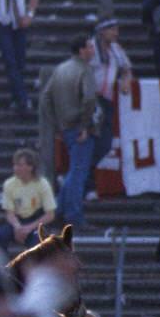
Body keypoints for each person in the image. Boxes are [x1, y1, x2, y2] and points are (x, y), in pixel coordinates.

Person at [41, 35, 98, 230]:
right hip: (79, 126)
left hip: (66, 126)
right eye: (90, 47)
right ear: (82, 50)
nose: (92, 50)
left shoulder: (60, 69)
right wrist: (84, 125)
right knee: (78, 172)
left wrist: (56, 124)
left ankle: (58, 211)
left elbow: (46, 97)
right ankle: (73, 214)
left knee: (74, 171)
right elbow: (90, 99)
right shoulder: (84, 70)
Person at [88, 17, 132, 174]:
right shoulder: (90, 47)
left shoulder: (116, 49)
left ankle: (86, 173)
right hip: (91, 99)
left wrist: (126, 81)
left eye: (117, 29)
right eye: (112, 29)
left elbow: (126, 68)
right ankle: (85, 179)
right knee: (92, 140)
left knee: (105, 143)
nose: (116, 33)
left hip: (106, 99)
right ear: (101, 32)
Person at [0, 149, 56, 253]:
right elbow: (9, 213)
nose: (15, 168)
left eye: (19, 165)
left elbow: (50, 215)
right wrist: (18, 227)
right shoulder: (9, 184)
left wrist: (28, 228)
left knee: (37, 243)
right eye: (15, 165)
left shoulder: (42, 184)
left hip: (36, 221)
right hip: (17, 221)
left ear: (30, 167)